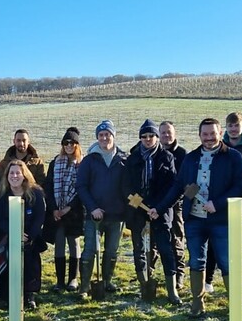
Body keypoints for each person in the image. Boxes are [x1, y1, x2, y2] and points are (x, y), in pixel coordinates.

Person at [151, 118, 242, 316]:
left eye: (213, 134)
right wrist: (159, 209)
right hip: (194, 220)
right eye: (205, 134)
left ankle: (236, 310)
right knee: (196, 261)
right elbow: (178, 186)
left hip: (221, 220)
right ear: (200, 135)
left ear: (220, 133)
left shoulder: (233, 157)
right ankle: (197, 304)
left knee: (227, 263)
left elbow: (241, 185)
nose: (209, 138)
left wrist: (218, 203)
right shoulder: (191, 158)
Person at [204, 111, 242, 293]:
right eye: (230, 125)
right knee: (212, 241)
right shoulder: (219, 146)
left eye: (237, 125)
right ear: (225, 128)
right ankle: (207, 280)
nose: (234, 129)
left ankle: (240, 283)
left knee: (240, 244)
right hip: (217, 201)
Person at [126, 119, 180, 304]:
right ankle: (144, 285)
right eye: (144, 136)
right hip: (138, 210)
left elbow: (172, 186)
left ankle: (172, 290)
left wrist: (158, 207)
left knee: (166, 249)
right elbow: (126, 186)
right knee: (139, 249)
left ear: (157, 137)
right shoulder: (133, 158)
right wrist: (140, 204)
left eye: (151, 136)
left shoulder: (167, 157)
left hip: (161, 211)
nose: (148, 139)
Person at [76, 119, 128, 299]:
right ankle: (84, 287)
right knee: (90, 250)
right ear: (97, 137)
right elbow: (81, 186)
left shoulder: (123, 159)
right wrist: (92, 208)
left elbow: (127, 186)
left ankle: (107, 281)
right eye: (101, 135)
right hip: (94, 215)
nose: (104, 138)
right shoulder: (89, 160)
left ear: (113, 136)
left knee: (112, 251)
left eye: (107, 134)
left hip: (117, 215)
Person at [0, 160, 47, 309]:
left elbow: (39, 217)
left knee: (30, 264)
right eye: (11, 173)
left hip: (30, 237)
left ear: (24, 175)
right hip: (8, 235)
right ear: (7, 175)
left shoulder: (36, 193)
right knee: (8, 264)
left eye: (18, 173)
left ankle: (29, 295)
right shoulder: (1, 193)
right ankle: (6, 295)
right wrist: (14, 232)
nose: (14, 176)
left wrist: (29, 236)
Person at [43, 127, 84, 291]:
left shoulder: (82, 164)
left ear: (77, 145)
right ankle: (60, 281)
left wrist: (69, 207)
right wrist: (54, 209)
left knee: (74, 243)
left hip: (74, 211)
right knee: (59, 243)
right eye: (66, 143)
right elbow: (48, 186)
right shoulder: (55, 162)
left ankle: (73, 278)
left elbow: (82, 188)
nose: (69, 146)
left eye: (72, 143)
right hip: (57, 211)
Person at [160, 120, 188, 291]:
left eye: (169, 132)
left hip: (176, 204)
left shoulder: (182, 154)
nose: (166, 135)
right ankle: (150, 273)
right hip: (158, 204)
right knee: (154, 240)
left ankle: (179, 275)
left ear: (174, 133)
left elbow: (186, 180)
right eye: (163, 132)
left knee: (176, 239)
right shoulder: (155, 153)